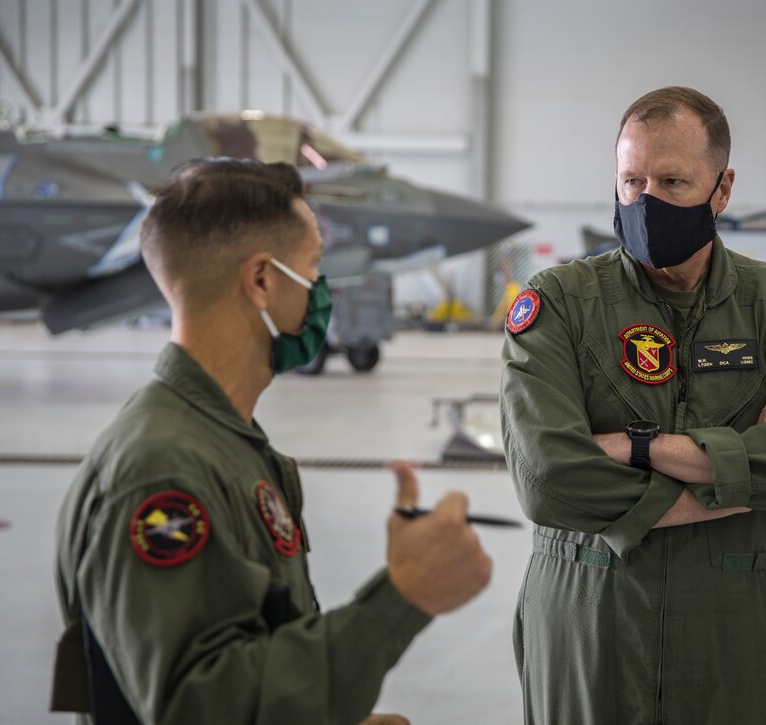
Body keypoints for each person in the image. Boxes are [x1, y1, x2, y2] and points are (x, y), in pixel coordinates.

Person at [50, 158, 492, 725]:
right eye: (312, 267)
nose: (320, 291)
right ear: (261, 280)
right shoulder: (163, 470)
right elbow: (196, 709)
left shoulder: (221, 440)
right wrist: (401, 599)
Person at [499, 86, 766, 724]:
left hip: (728, 625)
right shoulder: (560, 303)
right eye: (630, 181)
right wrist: (744, 482)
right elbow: (549, 482)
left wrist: (644, 447)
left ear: (722, 189)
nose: (646, 202)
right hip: (589, 613)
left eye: (672, 181)